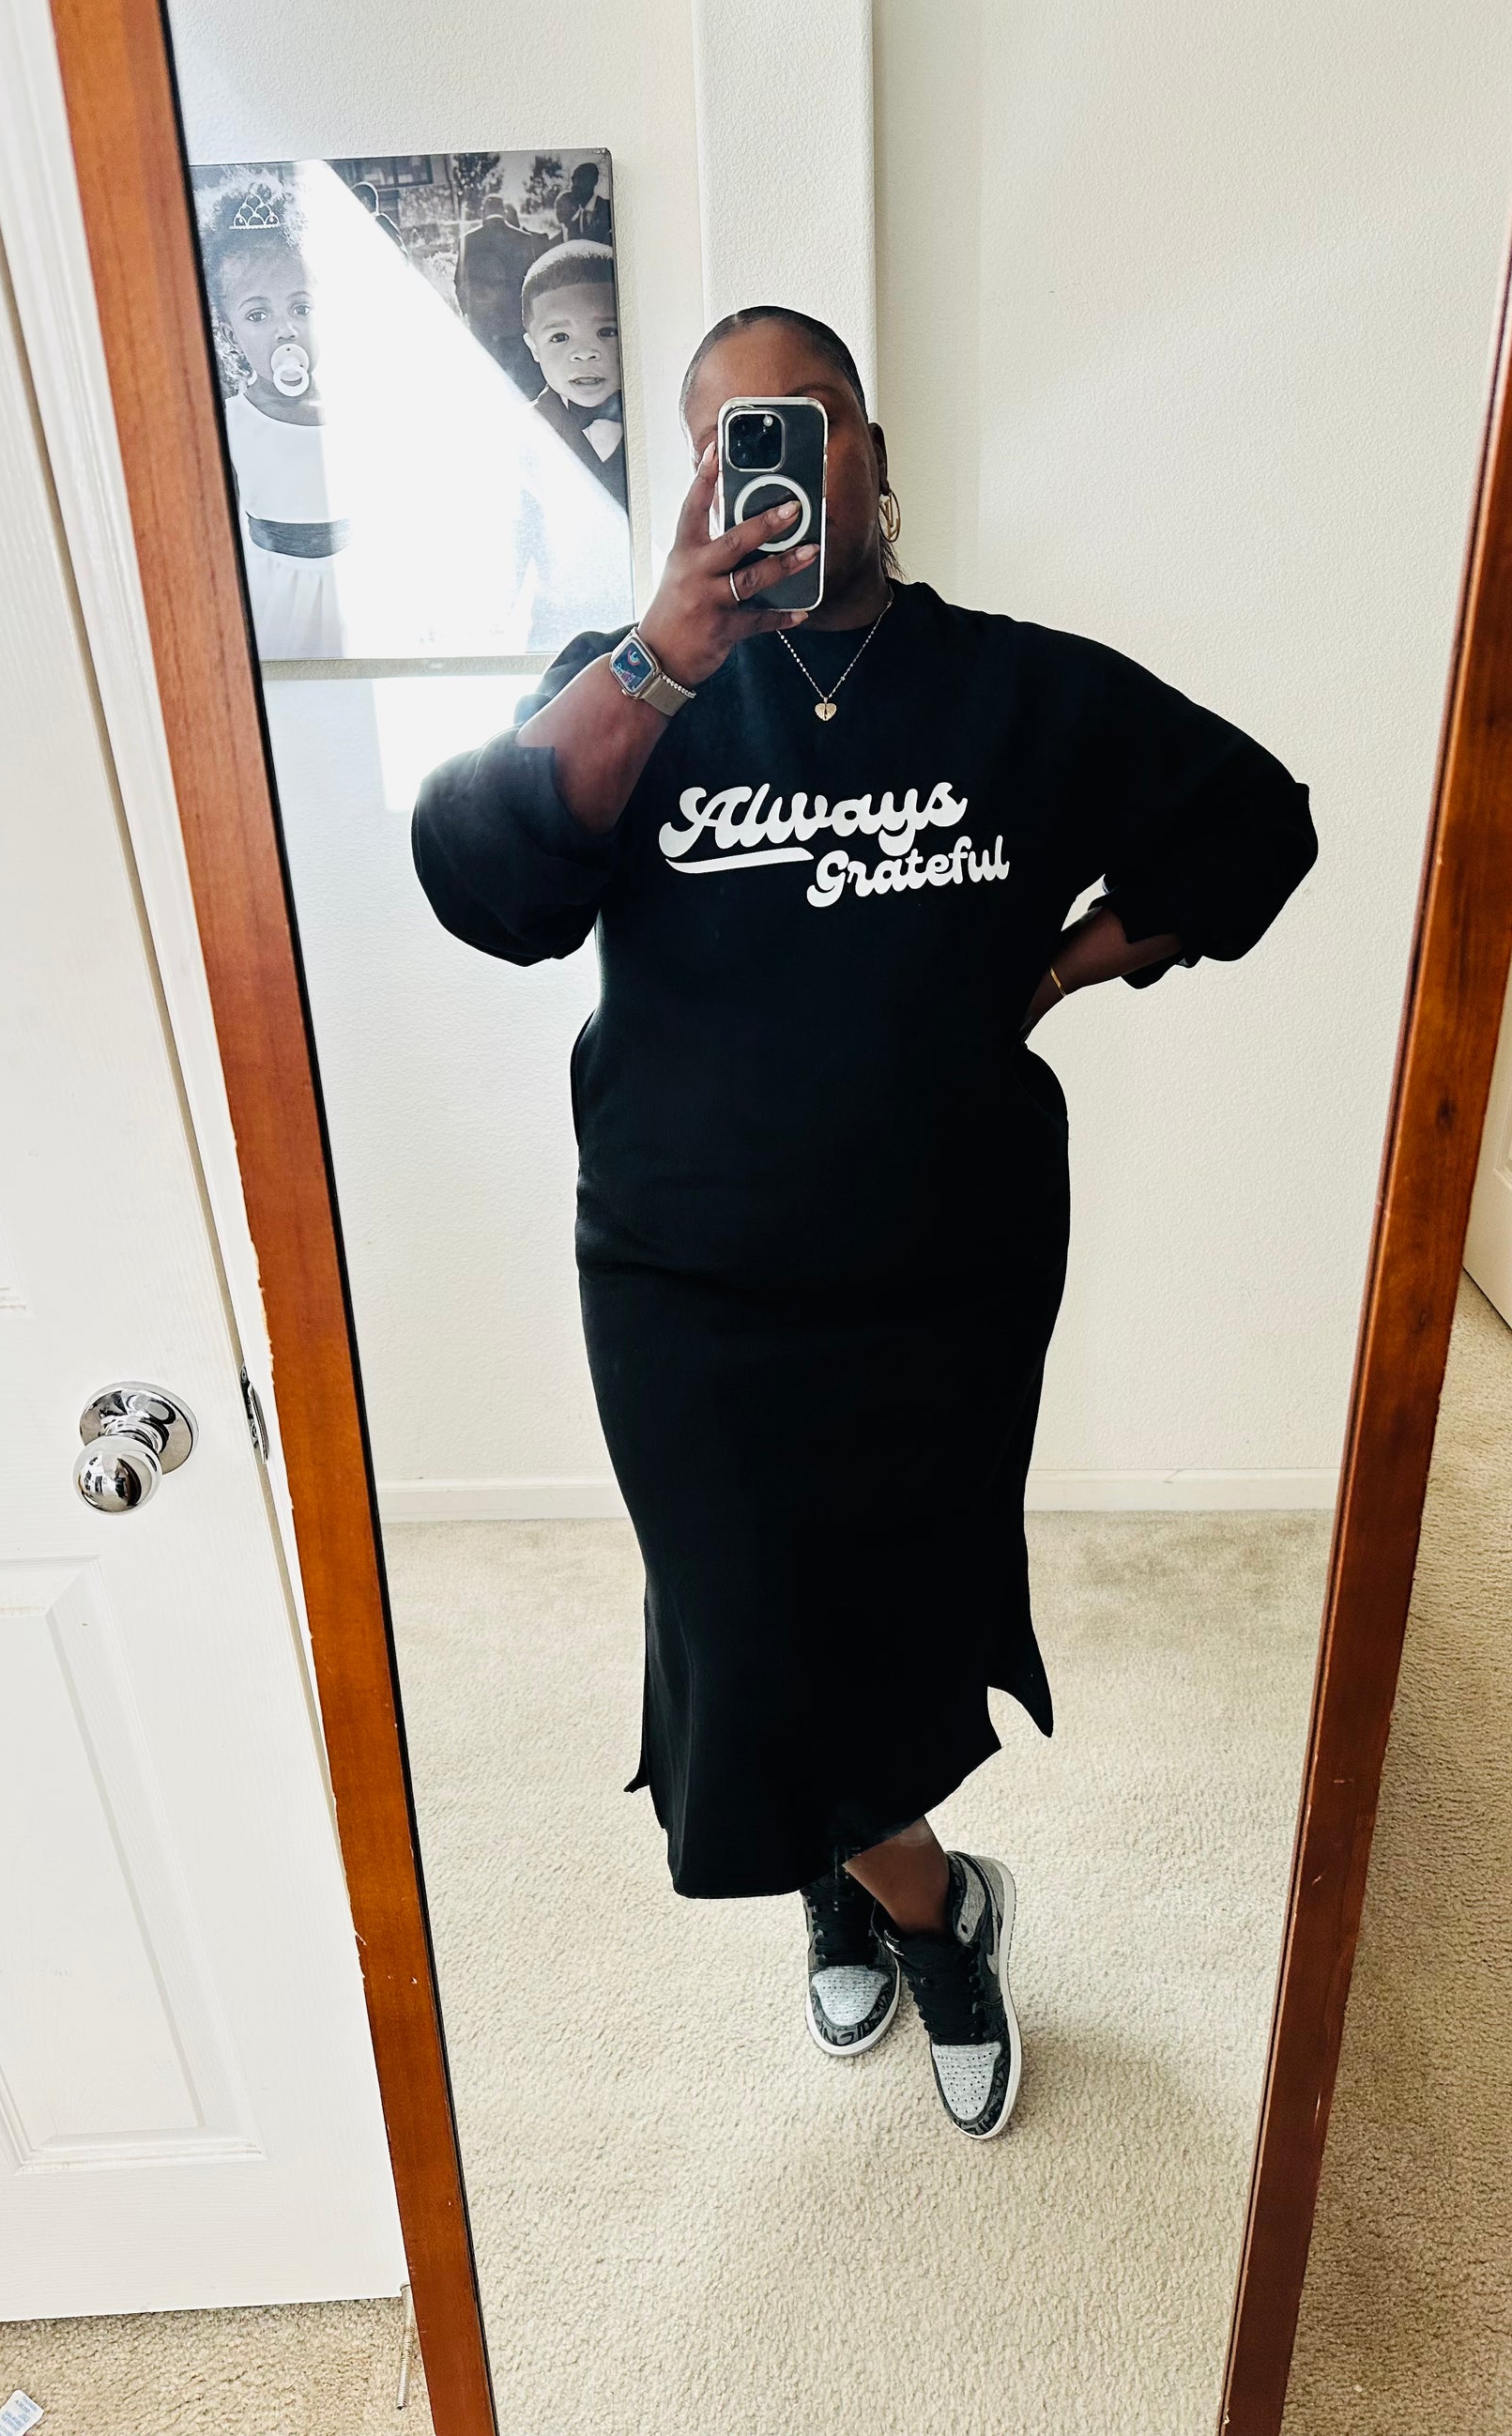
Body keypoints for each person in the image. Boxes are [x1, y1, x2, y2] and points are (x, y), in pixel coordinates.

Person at [412, 305, 1316, 2140]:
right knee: (740, 1623)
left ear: (874, 457)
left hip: (944, 1261)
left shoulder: (1020, 690)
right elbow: (483, 879)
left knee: (897, 1608)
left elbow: (1254, 828)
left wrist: (1056, 970)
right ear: (692, 480)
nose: (776, 464)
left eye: (809, 420)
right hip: (680, 1271)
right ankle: (934, 1906)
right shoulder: (631, 687)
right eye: (728, 437)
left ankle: (845, 1869)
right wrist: (666, 655)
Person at [197, 173, 350, 659]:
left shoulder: (358, 413)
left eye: (300, 307)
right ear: (230, 331)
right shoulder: (231, 423)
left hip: (357, 588)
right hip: (278, 600)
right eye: (258, 315)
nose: (285, 329)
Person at [520, 242, 628, 510]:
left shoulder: (661, 419)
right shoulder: (517, 434)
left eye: (606, 331)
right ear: (534, 348)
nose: (585, 353)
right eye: (560, 337)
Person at [455, 194, 548, 396]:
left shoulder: (468, 240)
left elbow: (459, 281)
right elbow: (533, 282)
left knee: (487, 375)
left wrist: (467, 310)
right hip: (515, 320)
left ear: (483, 212)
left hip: (482, 321)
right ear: (504, 212)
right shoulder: (523, 239)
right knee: (523, 379)